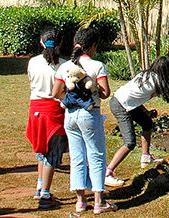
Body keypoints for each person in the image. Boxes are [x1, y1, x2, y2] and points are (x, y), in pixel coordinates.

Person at [51, 28, 116, 214]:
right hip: (90, 114)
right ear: (93, 46)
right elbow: (105, 93)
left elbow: (55, 92)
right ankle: (99, 201)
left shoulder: (64, 66)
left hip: (70, 115)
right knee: (96, 155)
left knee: (77, 156)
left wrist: (70, 99)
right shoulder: (97, 66)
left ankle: (80, 201)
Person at [104, 56, 169, 187]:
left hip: (121, 100)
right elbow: (168, 99)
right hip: (120, 106)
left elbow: (135, 97)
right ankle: (107, 173)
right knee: (130, 142)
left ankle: (146, 157)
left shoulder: (145, 75)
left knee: (147, 123)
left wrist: (146, 112)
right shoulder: (158, 81)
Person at [25, 28, 67, 210]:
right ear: (60, 44)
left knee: (42, 149)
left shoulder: (33, 62)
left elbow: (31, 82)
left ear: (41, 42)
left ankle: (39, 185)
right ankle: (45, 195)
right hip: (54, 112)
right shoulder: (64, 65)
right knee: (52, 155)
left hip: (35, 109)